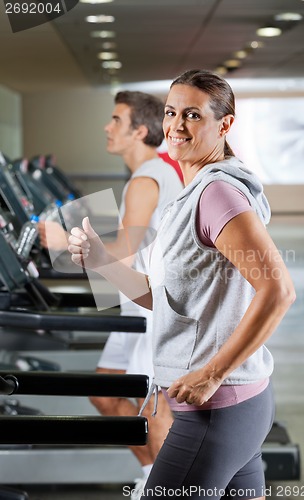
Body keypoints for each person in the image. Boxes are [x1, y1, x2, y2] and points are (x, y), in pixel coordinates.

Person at [68, 70, 296, 500]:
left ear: (224, 125)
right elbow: (166, 300)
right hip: (234, 408)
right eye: (172, 112)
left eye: (192, 115)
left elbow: (278, 291)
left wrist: (212, 374)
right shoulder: (189, 196)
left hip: (216, 410)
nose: (176, 125)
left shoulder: (217, 195)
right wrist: (101, 261)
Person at [40, 90, 182, 499]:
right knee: (104, 391)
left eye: (116, 120)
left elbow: (125, 251)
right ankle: (154, 476)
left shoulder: (146, 178)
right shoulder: (151, 174)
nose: (107, 126)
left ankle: (166, 490)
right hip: (132, 307)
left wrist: (64, 239)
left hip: (149, 308)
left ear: (139, 130)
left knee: (152, 407)